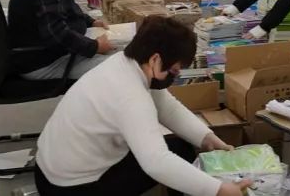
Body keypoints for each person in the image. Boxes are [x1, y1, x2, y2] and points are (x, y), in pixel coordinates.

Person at [34, 16, 251, 196]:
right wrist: (219, 190)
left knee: (180, 148)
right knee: (172, 156)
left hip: (50, 170)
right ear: (156, 59)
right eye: (174, 71)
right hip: (69, 188)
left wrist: (207, 138)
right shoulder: (130, 95)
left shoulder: (125, 63)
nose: (174, 77)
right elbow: (156, 163)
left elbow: (167, 106)